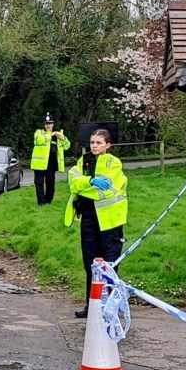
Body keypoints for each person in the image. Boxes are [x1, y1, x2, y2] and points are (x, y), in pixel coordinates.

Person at [64, 129, 127, 318]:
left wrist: (84, 185)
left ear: (108, 145)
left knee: (109, 265)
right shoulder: (83, 161)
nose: (94, 146)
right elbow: (72, 182)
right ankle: (91, 305)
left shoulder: (113, 162)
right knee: (90, 263)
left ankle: (111, 307)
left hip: (110, 220)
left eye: (99, 143)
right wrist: (91, 180)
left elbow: (107, 189)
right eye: (92, 142)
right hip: (89, 217)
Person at [30, 113, 70, 206]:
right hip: (40, 164)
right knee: (39, 183)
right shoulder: (39, 132)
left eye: (50, 123)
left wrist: (63, 138)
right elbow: (38, 141)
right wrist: (50, 134)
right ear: (44, 125)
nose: (48, 125)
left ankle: (48, 201)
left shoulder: (58, 135)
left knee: (50, 183)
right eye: (46, 123)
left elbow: (67, 146)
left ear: (53, 124)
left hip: (52, 163)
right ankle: (41, 202)